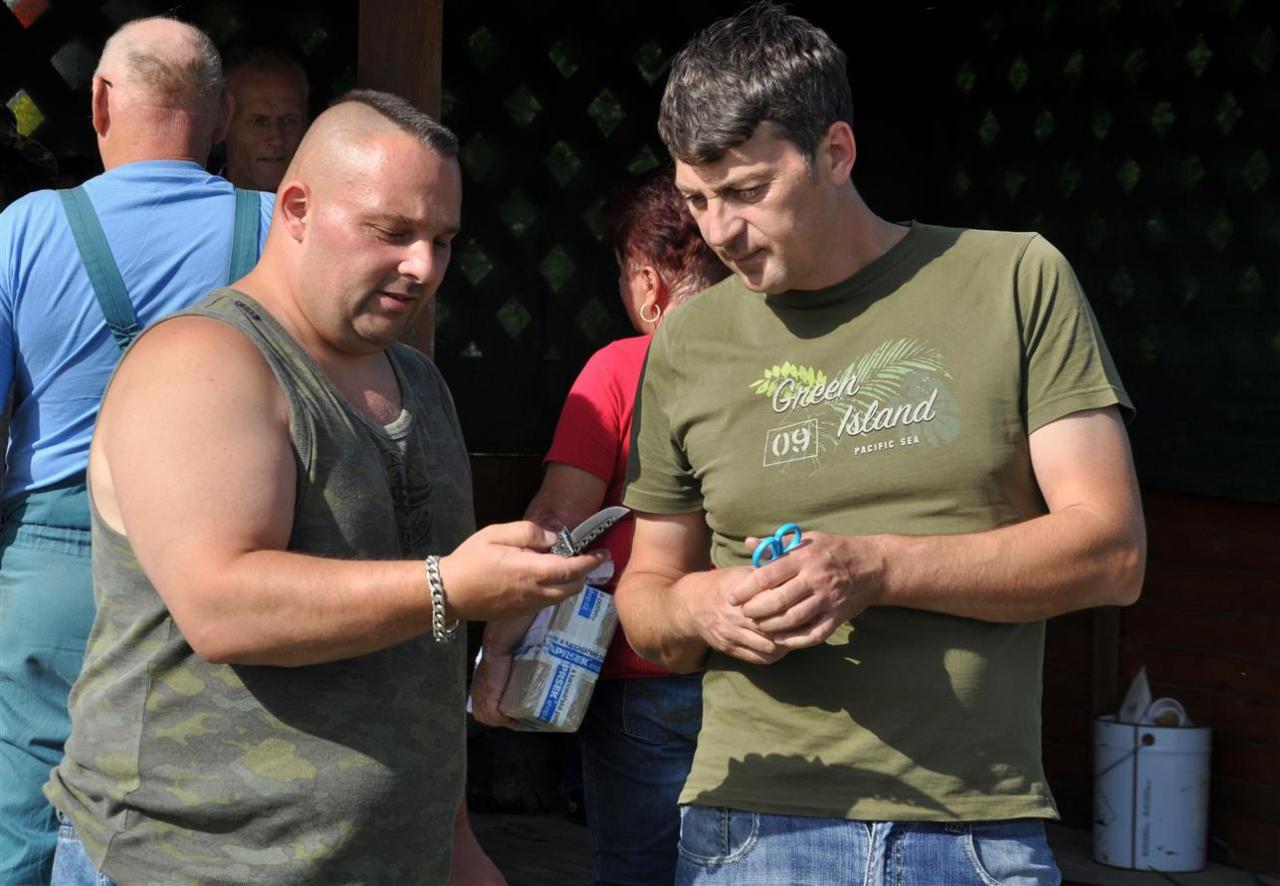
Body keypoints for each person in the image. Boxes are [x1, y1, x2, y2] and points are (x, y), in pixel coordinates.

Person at [616, 4, 1147, 885]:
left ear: (836, 153)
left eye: (748, 192)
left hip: (975, 828)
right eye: (698, 199)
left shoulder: (1015, 279)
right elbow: (646, 599)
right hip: (755, 824)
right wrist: (701, 608)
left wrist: (876, 568)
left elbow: (1112, 554)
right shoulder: (687, 341)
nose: (719, 232)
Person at [43, 88, 605, 885]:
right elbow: (223, 605)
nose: (423, 267)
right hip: (191, 864)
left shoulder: (419, 382)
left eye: (442, 241)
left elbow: (423, 654)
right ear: (297, 209)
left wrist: (457, 842)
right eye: (392, 232)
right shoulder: (204, 362)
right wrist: (449, 585)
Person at [0, 18, 272, 884]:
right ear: (223, 115)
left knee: (23, 827)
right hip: (225, 561)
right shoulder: (277, 232)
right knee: (192, 821)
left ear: (99, 102)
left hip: (57, 565)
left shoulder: (25, 229)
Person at [471, 170, 729, 885]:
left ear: (648, 282)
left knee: (636, 868)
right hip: (754, 667)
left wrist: (498, 649)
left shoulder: (621, 368)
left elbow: (557, 522)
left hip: (641, 673)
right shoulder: (775, 367)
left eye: (621, 273)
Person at [222, 49, 309, 192]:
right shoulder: (195, 204)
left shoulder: (332, 204)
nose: (277, 140)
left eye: (289, 121)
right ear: (224, 123)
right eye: (259, 122)